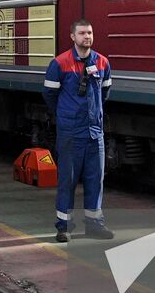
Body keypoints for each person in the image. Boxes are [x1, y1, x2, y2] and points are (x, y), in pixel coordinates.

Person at [43, 19, 114, 243]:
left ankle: (95, 225)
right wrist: (66, 116)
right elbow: (49, 96)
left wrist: (95, 116)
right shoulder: (59, 64)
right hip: (71, 133)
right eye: (82, 33)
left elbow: (105, 93)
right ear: (72, 37)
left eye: (90, 33)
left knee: (95, 180)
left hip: (95, 133)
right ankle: (64, 226)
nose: (87, 37)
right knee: (68, 180)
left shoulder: (102, 63)